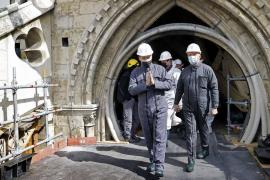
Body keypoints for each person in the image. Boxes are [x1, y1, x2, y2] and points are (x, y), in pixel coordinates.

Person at [129, 43, 173, 177]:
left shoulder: (160, 69)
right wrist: (145, 85)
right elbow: (131, 90)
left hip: (160, 107)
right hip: (144, 108)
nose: (146, 59)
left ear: (152, 55)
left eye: (148, 56)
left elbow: (169, 84)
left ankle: (159, 165)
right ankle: (153, 159)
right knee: (148, 137)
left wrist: (155, 84)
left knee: (160, 136)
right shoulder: (135, 72)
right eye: (143, 57)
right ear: (139, 57)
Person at [174, 43, 219, 172]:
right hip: (188, 107)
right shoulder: (185, 72)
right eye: (189, 54)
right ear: (187, 56)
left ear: (199, 55)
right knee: (191, 133)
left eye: (194, 54)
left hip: (203, 106)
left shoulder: (207, 70)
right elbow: (179, 88)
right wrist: (176, 103)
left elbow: (214, 87)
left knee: (204, 129)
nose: (192, 56)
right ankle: (191, 160)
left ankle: (205, 148)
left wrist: (215, 106)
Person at [159, 51, 182, 146]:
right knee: (169, 120)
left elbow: (180, 89)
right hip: (162, 101)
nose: (163, 63)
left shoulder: (176, 72)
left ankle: (164, 142)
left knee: (167, 121)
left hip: (172, 101)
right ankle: (181, 124)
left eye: (164, 61)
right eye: (161, 62)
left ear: (169, 60)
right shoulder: (162, 71)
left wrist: (179, 103)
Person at [117, 59, 141, 143]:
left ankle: (133, 135)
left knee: (136, 119)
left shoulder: (133, 75)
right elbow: (121, 89)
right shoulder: (126, 75)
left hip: (134, 99)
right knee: (128, 119)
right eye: (137, 66)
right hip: (128, 100)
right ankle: (128, 136)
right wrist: (128, 97)